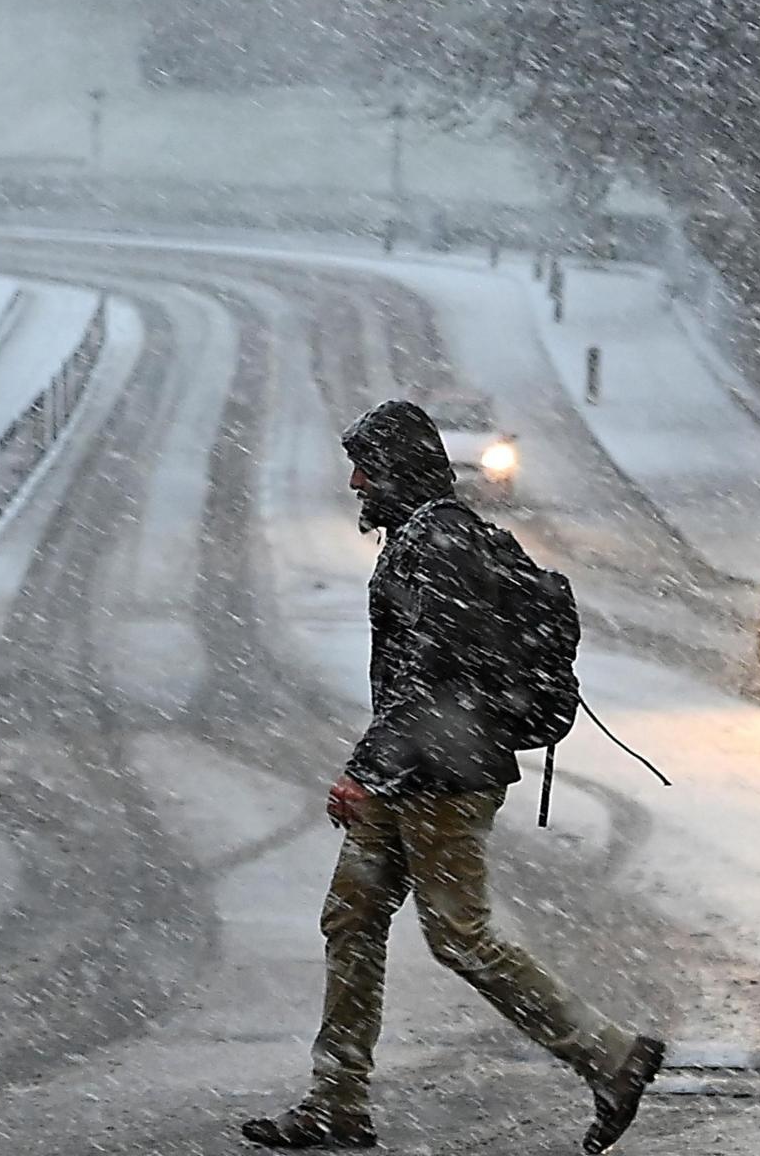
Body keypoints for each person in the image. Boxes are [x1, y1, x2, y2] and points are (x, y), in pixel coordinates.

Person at [243, 400, 663, 1153]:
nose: (354, 482)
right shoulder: (423, 538)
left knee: (460, 936)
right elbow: (423, 672)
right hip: (416, 765)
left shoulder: (437, 546)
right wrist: (376, 771)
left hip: (443, 771)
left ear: (398, 469)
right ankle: (336, 1102)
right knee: (353, 917)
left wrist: (369, 774)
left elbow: (437, 676)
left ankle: (611, 1055)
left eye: (366, 466)